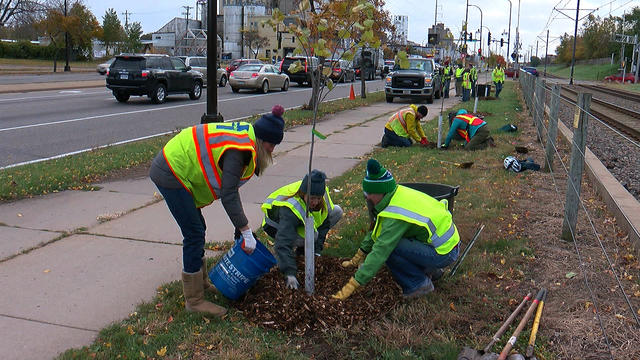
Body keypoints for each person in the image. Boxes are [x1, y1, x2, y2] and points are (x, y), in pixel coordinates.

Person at [149, 105, 286, 317]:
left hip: (178, 167)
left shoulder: (246, 138)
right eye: (271, 144)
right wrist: (245, 230)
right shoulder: (238, 151)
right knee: (194, 233)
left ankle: (201, 282)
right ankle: (194, 301)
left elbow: (230, 191)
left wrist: (241, 228)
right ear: (262, 140)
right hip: (170, 170)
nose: (272, 150)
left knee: (198, 227)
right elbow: (228, 194)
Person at [333, 159, 460, 300]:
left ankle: (418, 285)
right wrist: (358, 256)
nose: (367, 197)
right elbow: (377, 230)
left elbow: (380, 250)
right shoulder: (397, 193)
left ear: (381, 192)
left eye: (370, 193)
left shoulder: (395, 216)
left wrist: (353, 284)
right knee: (396, 243)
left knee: (391, 249)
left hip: (444, 253)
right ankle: (431, 270)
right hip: (445, 244)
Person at [261, 170, 343, 290]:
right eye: (312, 198)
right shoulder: (291, 207)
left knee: (336, 211)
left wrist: (316, 251)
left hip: (299, 222)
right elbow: (282, 242)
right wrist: (290, 274)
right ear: (303, 193)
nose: (315, 202)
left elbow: (324, 223)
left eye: (318, 198)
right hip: (276, 226)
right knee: (310, 236)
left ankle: (303, 251)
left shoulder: (322, 194)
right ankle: (286, 260)